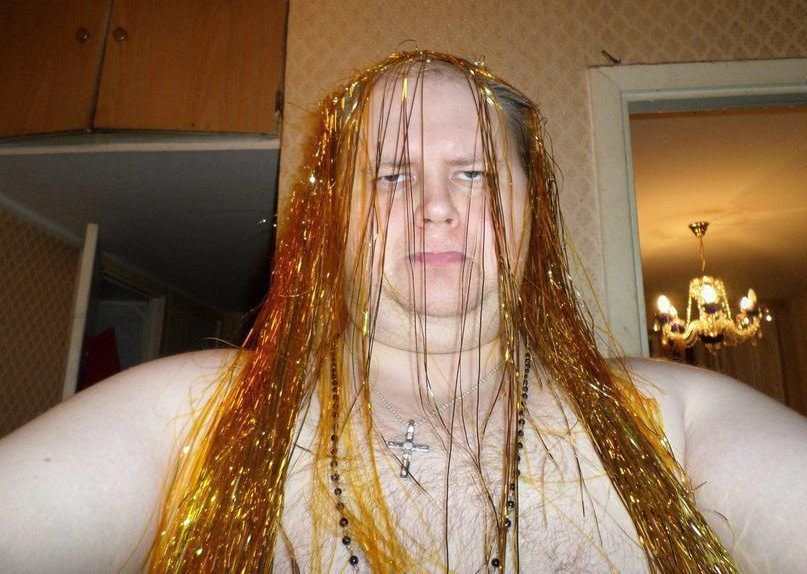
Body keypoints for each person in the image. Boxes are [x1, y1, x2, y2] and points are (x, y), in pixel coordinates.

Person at [1, 51, 805, 573]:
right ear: (332, 219)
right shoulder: (189, 414)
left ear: (534, 209)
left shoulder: (676, 420)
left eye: (475, 173)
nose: (433, 205)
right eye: (390, 175)